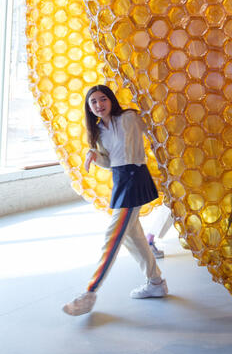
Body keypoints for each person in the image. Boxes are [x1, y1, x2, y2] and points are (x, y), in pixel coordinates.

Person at [62, 85, 168, 316]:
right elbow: (110, 162)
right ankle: (156, 282)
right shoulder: (98, 131)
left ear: (111, 100)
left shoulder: (129, 117)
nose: (99, 105)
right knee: (132, 236)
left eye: (103, 99)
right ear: (89, 108)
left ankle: (90, 291)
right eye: (94, 102)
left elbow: (154, 125)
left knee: (113, 236)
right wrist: (95, 156)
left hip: (135, 179)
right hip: (121, 181)